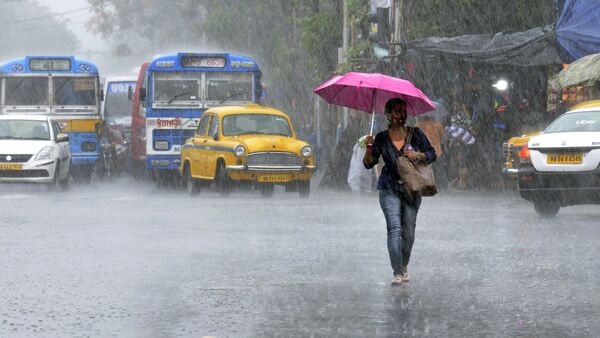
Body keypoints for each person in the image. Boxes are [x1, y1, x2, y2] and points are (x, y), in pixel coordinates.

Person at [363, 98, 436, 286]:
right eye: (396, 111)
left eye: (403, 111)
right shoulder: (380, 138)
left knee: (409, 232)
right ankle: (396, 272)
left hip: (412, 189)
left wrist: (417, 155)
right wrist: (369, 147)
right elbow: (368, 163)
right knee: (394, 228)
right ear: (388, 115)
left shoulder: (416, 134)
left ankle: (404, 265)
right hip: (388, 188)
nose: (401, 115)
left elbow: (432, 154)